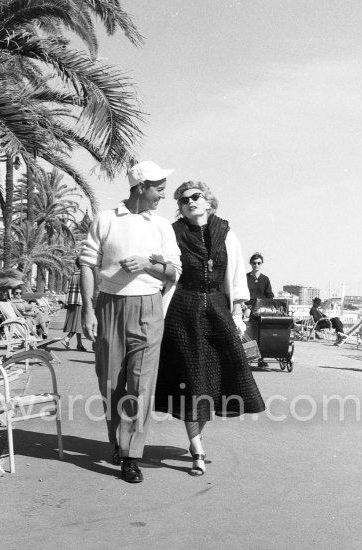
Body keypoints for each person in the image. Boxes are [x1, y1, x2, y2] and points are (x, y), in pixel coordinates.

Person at [80, 161, 182, 484]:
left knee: (141, 386)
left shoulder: (162, 226)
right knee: (111, 383)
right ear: (141, 187)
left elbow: (173, 273)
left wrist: (146, 266)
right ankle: (118, 440)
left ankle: (130, 455)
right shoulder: (106, 220)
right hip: (110, 306)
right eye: (158, 189)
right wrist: (88, 309)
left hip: (149, 308)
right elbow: (86, 265)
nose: (162, 196)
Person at [154, 181, 266, 477]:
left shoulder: (226, 232)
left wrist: (238, 310)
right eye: (182, 200)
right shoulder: (173, 232)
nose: (188, 202)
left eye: (195, 197)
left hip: (217, 309)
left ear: (208, 201)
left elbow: (237, 276)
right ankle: (196, 447)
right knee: (191, 380)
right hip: (181, 310)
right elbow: (163, 268)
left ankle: (196, 439)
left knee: (218, 378)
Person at [61, 258, 87, 351]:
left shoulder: (74, 273)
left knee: (77, 322)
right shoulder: (84, 274)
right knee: (79, 323)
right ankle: (67, 338)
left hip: (72, 300)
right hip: (81, 300)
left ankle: (79, 344)